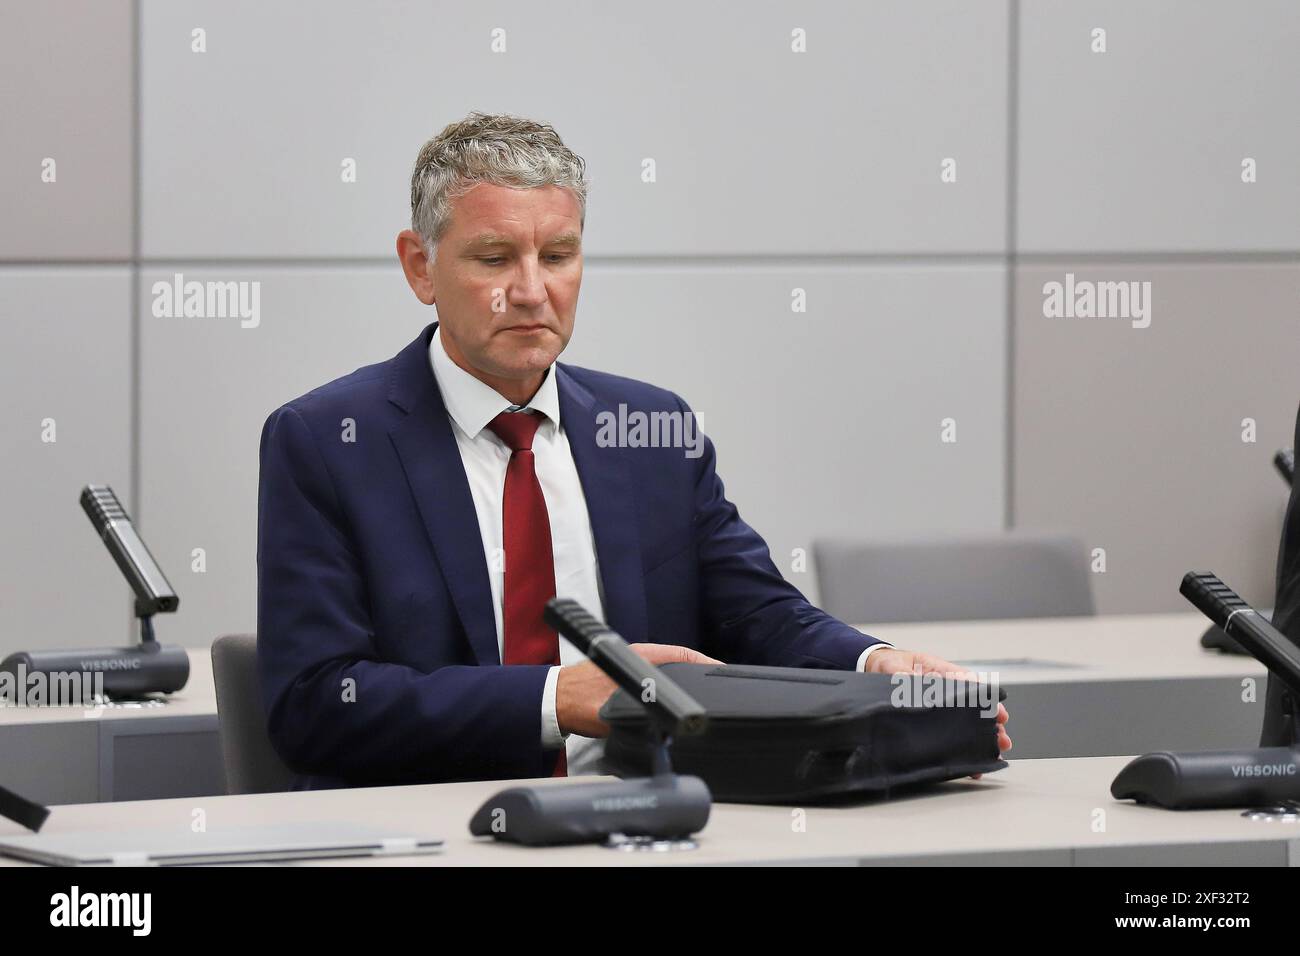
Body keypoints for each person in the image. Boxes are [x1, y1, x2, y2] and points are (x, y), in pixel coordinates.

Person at [256, 112, 1011, 788]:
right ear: (421, 266)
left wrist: (877, 666)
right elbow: (314, 704)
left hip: (649, 821)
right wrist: (558, 698)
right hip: (441, 827)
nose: (530, 291)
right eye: (493, 259)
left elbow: (757, 614)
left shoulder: (649, 428)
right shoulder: (327, 441)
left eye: (557, 256)